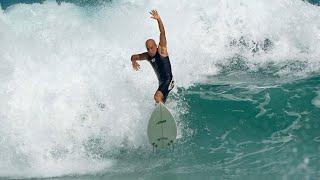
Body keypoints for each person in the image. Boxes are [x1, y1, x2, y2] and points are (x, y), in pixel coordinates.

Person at [130, 9, 174, 104]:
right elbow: (133, 57)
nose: (150, 50)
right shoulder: (147, 56)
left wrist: (158, 19)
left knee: (156, 97)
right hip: (161, 83)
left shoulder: (162, 50)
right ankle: (163, 114)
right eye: (148, 48)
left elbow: (162, 32)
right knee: (159, 102)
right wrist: (133, 62)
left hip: (168, 80)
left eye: (151, 48)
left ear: (156, 46)